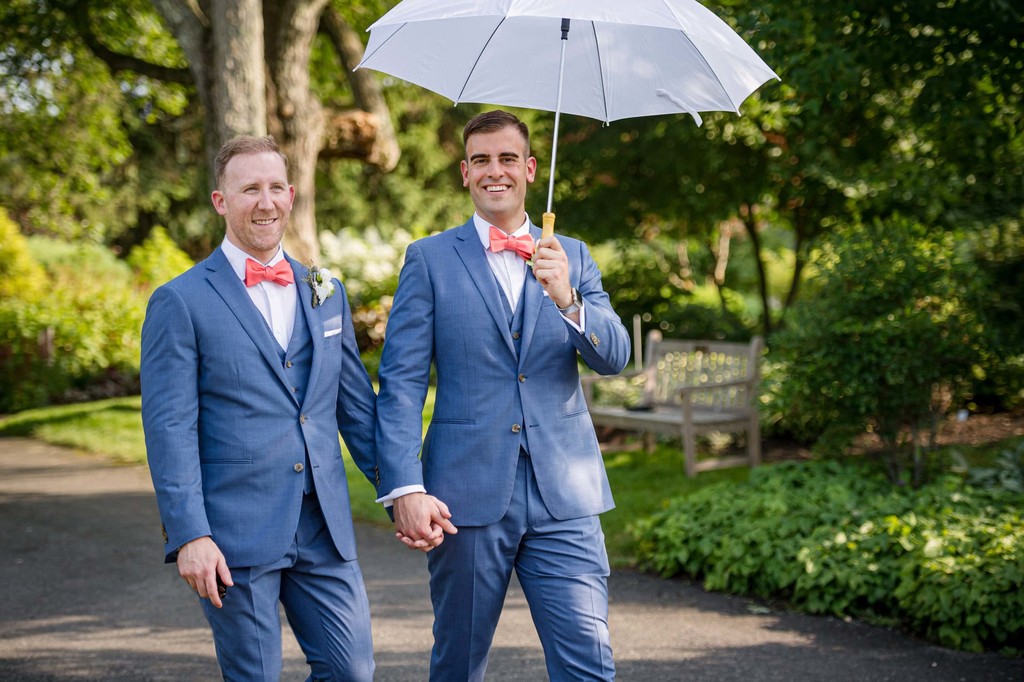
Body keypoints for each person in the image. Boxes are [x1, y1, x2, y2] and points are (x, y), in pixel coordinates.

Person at [375, 110, 631, 681]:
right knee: (459, 664)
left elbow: (613, 357)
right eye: (482, 161)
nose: (496, 171)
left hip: (565, 493)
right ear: (465, 173)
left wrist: (567, 297)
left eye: (508, 159)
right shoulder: (430, 259)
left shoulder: (575, 255)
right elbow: (400, 384)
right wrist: (404, 485)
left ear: (531, 169)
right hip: (464, 496)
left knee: (589, 662)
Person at [140, 135, 377, 680]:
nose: (265, 202)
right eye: (249, 189)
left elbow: (356, 410)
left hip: (324, 524)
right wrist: (190, 534)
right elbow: (169, 428)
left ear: (292, 195)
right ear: (221, 201)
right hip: (233, 534)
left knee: (353, 672)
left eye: (275, 187)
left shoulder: (326, 290)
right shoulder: (180, 301)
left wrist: (403, 488)